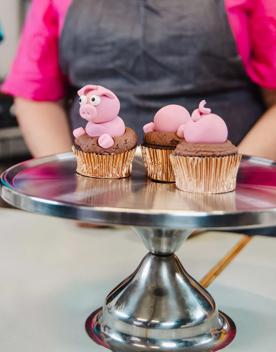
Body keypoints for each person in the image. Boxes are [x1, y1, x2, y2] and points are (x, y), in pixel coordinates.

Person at [2, 0, 276, 159]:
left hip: (227, 211)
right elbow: (35, 95)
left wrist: (230, 184)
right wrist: (71, 188)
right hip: (98, 210)